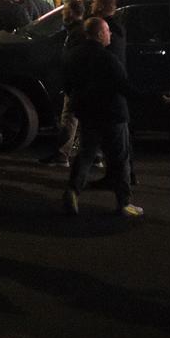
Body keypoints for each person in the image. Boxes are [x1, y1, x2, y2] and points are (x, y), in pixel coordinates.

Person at [61, 16, 145, 217]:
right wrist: (152, 99)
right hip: (113, 114)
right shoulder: (108, 58)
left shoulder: (73, 55)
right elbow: (123, 86)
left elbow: (68, 84)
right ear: (100, 34)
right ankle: (124, 203)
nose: (111, 34)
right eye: (108, 31)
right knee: (119, 159)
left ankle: (73, 190)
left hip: (88, 113)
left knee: (86, 154)